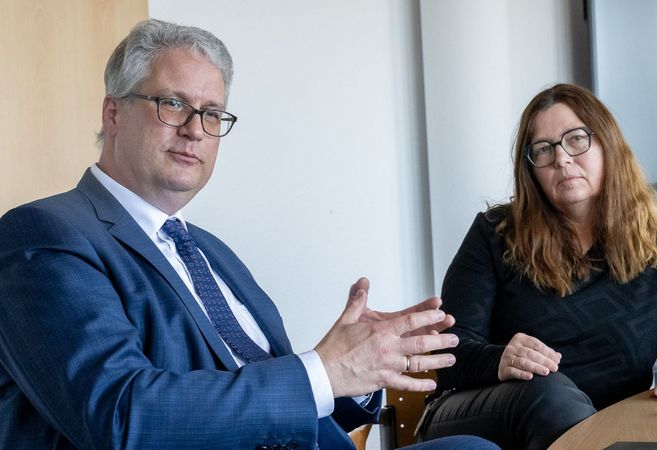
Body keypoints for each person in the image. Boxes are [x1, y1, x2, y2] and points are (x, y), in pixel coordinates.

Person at [0, 19, 498, 450]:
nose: (195, 129)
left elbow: (281, 397)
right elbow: (121, 415)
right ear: (113, 113)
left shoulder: (212, 253)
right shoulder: (44, 234)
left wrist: (360, 369)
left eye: (212, 113)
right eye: (173, 104)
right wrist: (322, 371)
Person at [418, 83, 657, 449]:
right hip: (479, 416)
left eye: (576, 139)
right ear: (531, 170)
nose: (562, 159)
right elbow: (449, 356)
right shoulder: (494, 235)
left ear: (608, 145)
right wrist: (499, 359)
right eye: (543, 149)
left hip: (612, 425)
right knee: (547, 391)